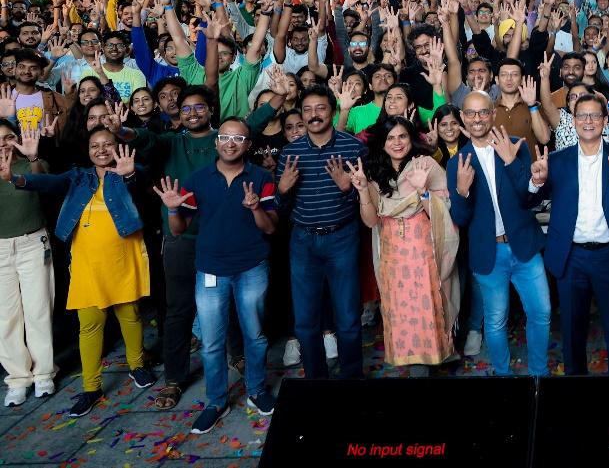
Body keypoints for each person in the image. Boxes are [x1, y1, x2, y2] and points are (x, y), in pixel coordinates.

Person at [2, 125, 156, 418]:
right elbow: (48, 183)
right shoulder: (78, 176)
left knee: (130, 315)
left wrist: (130, 175)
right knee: (89, 325)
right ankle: (91, 387)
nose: (101, 150)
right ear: (88, 151)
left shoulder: (129, 170)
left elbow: (143, 185)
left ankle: (138, 366)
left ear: (117, 146)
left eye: (107, 144)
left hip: (123, 258)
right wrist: (16, 179)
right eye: (95, 145)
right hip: (87, 263)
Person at [153, 118, 278, 433]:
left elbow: (270, 228)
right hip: (210, 269)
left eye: (238, 138)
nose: (230, 143)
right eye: (225, 137)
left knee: (255, 335)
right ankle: (216, 401)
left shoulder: (261, 177)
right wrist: (172, 209)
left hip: (251, 267)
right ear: (216, 142)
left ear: (248, 145)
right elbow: (178, 230)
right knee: (211, 342)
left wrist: (255, 208)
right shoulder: (197, 179)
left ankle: (257, 390)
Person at [523, 94, 609, 375]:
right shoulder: (557, 161)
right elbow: (530, 201)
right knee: (572, 332)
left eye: (595, 115)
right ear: (574, 121)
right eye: (582, 115)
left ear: (605, 121)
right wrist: (536, 181)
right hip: (571, 257)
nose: (588, 121)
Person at [447, 91, 551, 376]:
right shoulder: (457, 163)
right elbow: (460, 219)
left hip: (525, 247)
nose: (477, 118)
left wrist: (513, 163)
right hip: (489, 253)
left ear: (493, 114)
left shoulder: (515, 145)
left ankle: (539, 376)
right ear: (462, 118)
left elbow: (529, 199)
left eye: (483, 112)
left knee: (541, 312)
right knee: (495, 321)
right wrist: (462, 192)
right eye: (471, 113)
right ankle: (503, 377)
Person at [349, 117, 459, 370]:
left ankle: (429, 364)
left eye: (402, 136)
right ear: (382, 143)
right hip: (392, 258)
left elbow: (445, 211)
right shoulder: (373, 172)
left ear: (411, 139)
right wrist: (363, 190)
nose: (397, 143)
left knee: (427, 310)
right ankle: (413, 366)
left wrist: (423, 191)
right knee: (400, 314)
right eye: (390, 138)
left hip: (423, 255)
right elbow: (371, 221)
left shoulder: (425, 165)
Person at [275, 85, 366, 379]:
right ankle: (316, 381)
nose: (314, 115)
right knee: (305, 322)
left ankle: (352, 377)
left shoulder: (353, 148)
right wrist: (282, 190)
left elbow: (369, 202)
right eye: (308, 110)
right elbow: (280, 207)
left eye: (321, 108)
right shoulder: (290, 153)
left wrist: (348, 189)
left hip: (342, 238)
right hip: (303, 241)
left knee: (348, 318)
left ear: (333, 111)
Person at [0, 121, 55, 407]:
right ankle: (18, 378)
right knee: (6, 317)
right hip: (0, 249)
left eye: (8, 137)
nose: (2, 143)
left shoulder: (33, 164)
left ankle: (44, 372)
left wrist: (32, 157)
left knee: (38, 310)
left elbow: (45, 186)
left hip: (32, 242)